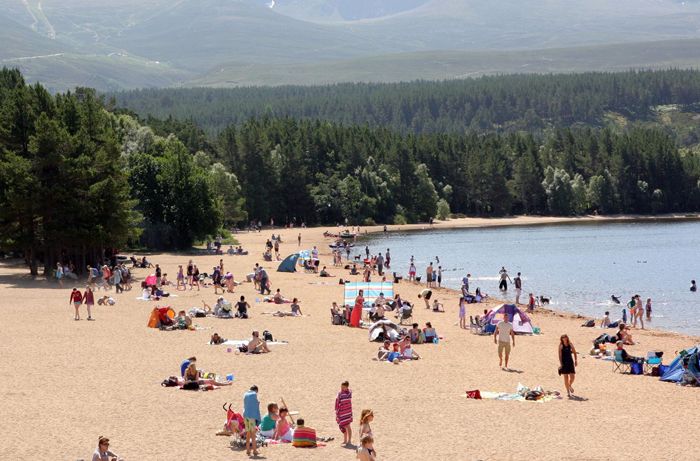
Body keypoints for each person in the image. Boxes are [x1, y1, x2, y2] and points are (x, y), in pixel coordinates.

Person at [243, 385, 261, 456]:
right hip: (251, 417)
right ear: (256, 390)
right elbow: (255, 406)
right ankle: (254, 451)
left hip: (246, 416)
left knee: (248, 433)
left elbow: (246, 405)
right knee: (253, 434)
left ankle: (247, 450)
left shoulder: (245, 394)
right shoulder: (254, 395)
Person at [335, 381, 353, 445]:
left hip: (347, 412)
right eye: (341, 387)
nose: (342, 388)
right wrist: (337, 411)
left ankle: (349, 440)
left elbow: (348, 401)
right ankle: (345, 440)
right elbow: (337, 401)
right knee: (343, 426)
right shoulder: (340, 393)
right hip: (342, 412)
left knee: (348, 426)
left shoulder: (349, 393)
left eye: (343, 387)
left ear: (347, 387)